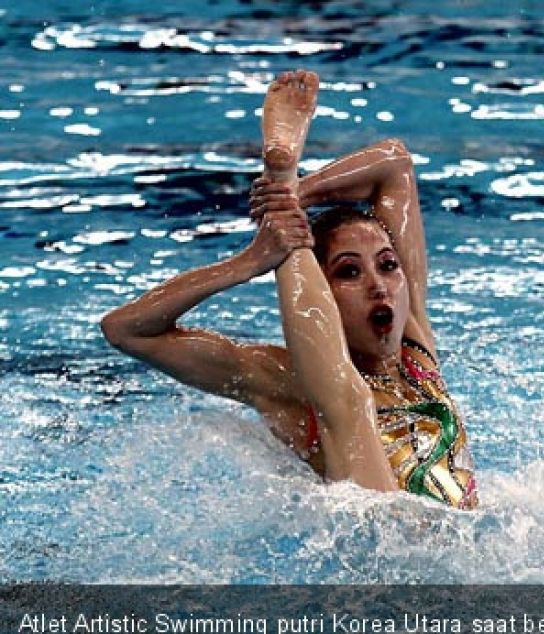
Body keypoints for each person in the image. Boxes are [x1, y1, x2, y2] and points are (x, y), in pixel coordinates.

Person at [100, 70, 478, 509]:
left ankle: (282, 185)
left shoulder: (416, 354)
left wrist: (297, 196)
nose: (379, 286)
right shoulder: (282, 377)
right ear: (320, 290)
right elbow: (126, 329)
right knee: (347, 396)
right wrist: (248, 263)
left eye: (388, 265)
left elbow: (394, 163)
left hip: (461, 558)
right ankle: (281, 196)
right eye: (349, 273)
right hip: (386, 546)